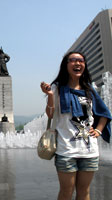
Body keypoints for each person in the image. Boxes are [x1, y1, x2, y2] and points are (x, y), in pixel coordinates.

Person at [40, 51, 111, 200]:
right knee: (66, 192)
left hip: (89, 151)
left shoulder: (89, 90)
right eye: (73, 60)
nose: (77, 63)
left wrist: (98, 130)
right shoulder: (57, 89)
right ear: (66, 65)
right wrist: (51, 97)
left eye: (81, 61)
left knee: (84, 192)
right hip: (66, 150)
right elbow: (50, 114)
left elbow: (104, 113)